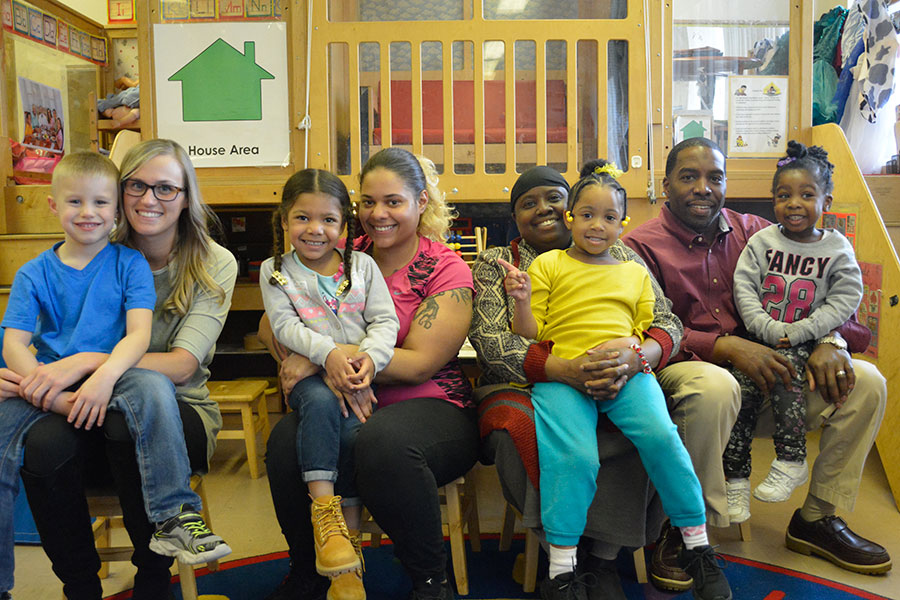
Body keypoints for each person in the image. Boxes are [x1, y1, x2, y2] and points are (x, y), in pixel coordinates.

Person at [624, 137, 890, 590]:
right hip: (686, 375)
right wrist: (724, 347)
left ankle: (816, 518)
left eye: (715, 177)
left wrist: (834, 339)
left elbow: (834, 299)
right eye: (689, 177)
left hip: (771, 377)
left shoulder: (759, 233)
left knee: (864, 380)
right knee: (714, 385)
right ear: (665, 184)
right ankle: (688, 528)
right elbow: (641, 327)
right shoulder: (637, 247)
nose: (703, 188)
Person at [8, 139, 238, 600]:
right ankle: (78, 585)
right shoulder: (93, 247)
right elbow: (24, 332)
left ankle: (154, 580)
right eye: (137, 185)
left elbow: (181, 365)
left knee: (122, 425)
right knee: (44, 445)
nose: (149, 199)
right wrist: (37, 381)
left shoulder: (214, 263)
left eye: (166, 188)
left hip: (176, 411)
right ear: (120, 192)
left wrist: (87, 362)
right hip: (85, 403)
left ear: (186, 196)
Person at [499, 166, 730, 600]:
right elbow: (529, 335)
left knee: (663, 438)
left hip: (628, 375)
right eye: (587, 215)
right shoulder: (549, 264)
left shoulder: (633, 271)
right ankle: (563, 570)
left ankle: (697, 546)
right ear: (571, 218)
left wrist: (632, 355)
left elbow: (654, 328)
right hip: (563, 376)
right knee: (575, 458)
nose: (597, 225)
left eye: (609, 217)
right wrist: (523, 300)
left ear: (622, 225)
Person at [263, 147, 478, 600]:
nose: (377, 214)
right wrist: (317, 358)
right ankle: (311, 570)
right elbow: (271, 324)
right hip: (341, 402)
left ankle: (429, 580)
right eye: (367, 202)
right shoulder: (339, 252)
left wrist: (327, 355)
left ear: (421, 202)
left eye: (393, 201)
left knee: (384, 442)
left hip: (432, 406)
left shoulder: (445, 268)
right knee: (285, 441)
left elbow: (419, 362)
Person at [470, 163, 682, 600]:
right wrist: (564, 370)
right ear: (515, 217)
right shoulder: (497, 262)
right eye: (528, 203)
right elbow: (491, 341)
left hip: (615, 377)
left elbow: (667, 322)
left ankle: (603, 558)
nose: (543, 209)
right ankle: (554, 553)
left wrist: (633, 359)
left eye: (553, 198)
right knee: (528, 432)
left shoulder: (618, 253)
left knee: (637, 428)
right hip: (521, 384)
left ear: (573, 209)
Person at [260, 168, 399, 597]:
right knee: (322, 405)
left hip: (357, 376)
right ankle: (326, 517)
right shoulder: (275, 270)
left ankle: (347, 568)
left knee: (352, 435)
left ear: (344, 225)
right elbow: (285, 327)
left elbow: (384, 322)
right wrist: (329, 356)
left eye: (328, 220)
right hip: (312, 380)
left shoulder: (364, 267)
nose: (315, 230)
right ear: (284, 220)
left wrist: (364, 364)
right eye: (302, 218)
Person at [724, 141, 864, 523]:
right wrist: (766, 328)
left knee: (787, 378)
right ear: (773, 202)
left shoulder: (837, 248)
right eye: (784, 195)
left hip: (804, 342)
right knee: (743, 395)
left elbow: (846, 297)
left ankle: (791, 459)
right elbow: (745, 289)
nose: (794, 203)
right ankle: (735, 479)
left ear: (826, 201)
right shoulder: (762, 242)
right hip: (762, 340)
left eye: (806, 194)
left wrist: (806, 330)